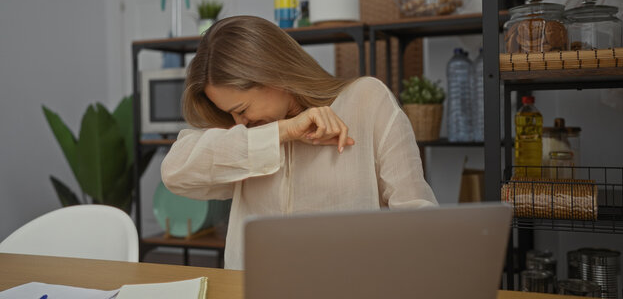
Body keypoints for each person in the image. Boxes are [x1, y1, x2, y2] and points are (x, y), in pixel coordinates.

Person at [161, 15, 438, 269]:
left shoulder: (367, 100)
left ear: (274, 76)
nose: (238, 122)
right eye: (229, 113)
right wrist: (284, 131)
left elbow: (418, 218)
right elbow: (175, 172)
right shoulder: (247, 136)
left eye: (242, 109)